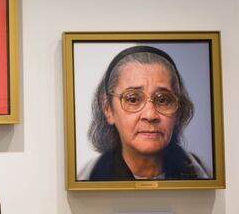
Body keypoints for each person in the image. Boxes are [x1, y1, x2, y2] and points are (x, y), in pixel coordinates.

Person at [79, 45, 211, 181]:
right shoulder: (87, 177)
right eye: (133, 99)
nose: (150, 115)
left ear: (179, 111)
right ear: (108, 109)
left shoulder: (203, 174)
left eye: (163, 100)